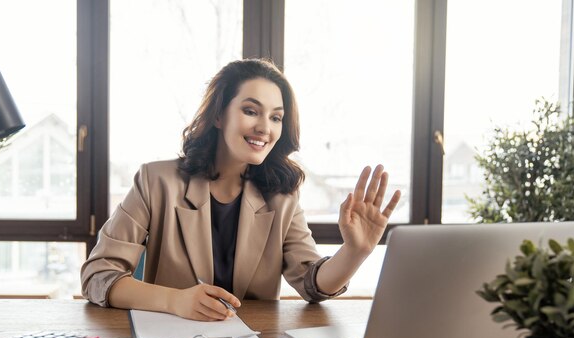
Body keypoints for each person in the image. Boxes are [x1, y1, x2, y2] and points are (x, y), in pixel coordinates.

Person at [81, 58, 401, 322]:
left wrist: (354, 252)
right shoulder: (155, 180)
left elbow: (311, 284)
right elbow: (98, 276)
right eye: (251, 111)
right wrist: (174, 300)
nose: (265, 127)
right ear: (219, 115)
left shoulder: (282, 196)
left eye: (276, 117)